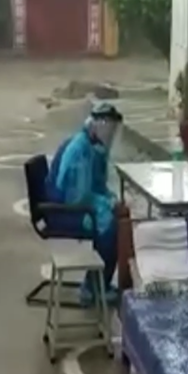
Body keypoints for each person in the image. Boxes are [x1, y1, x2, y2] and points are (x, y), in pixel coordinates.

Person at [44, 102, 123, 305]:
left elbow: (97, 186)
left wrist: (110, 199)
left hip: (76, 204)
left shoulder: (95, 148)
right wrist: (106, 204)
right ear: (99, 125)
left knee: (116, 215)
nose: (112, 134)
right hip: (64, 210)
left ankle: (99, 282)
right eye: (109, 128)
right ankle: (93, 288)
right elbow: (78, 196)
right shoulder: (80, 150)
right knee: (110, 226)